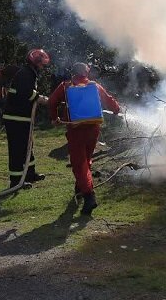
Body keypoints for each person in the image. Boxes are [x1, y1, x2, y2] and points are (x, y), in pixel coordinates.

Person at [48, 62, 120, 216]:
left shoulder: (66, 85)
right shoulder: (95, 86)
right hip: (93, 128)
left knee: (78, 163)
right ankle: (80, 187)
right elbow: (108, 100)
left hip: (76, 130)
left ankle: (89, 196)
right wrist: (116, 109)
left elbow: (51, 101)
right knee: (86, 159)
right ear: (87, 72)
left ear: (73, 72)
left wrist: (55, 118)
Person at [3, 49, 50, 188]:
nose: (43, 67)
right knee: (17, 148)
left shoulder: (29, 73)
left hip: (22, 117)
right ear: (35, 62)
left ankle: (30, 174)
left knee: (28, 146)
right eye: (41, 64)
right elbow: (27, 94)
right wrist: (43, 99)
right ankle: (16, 181)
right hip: (15, 117)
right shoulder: (25, 74)